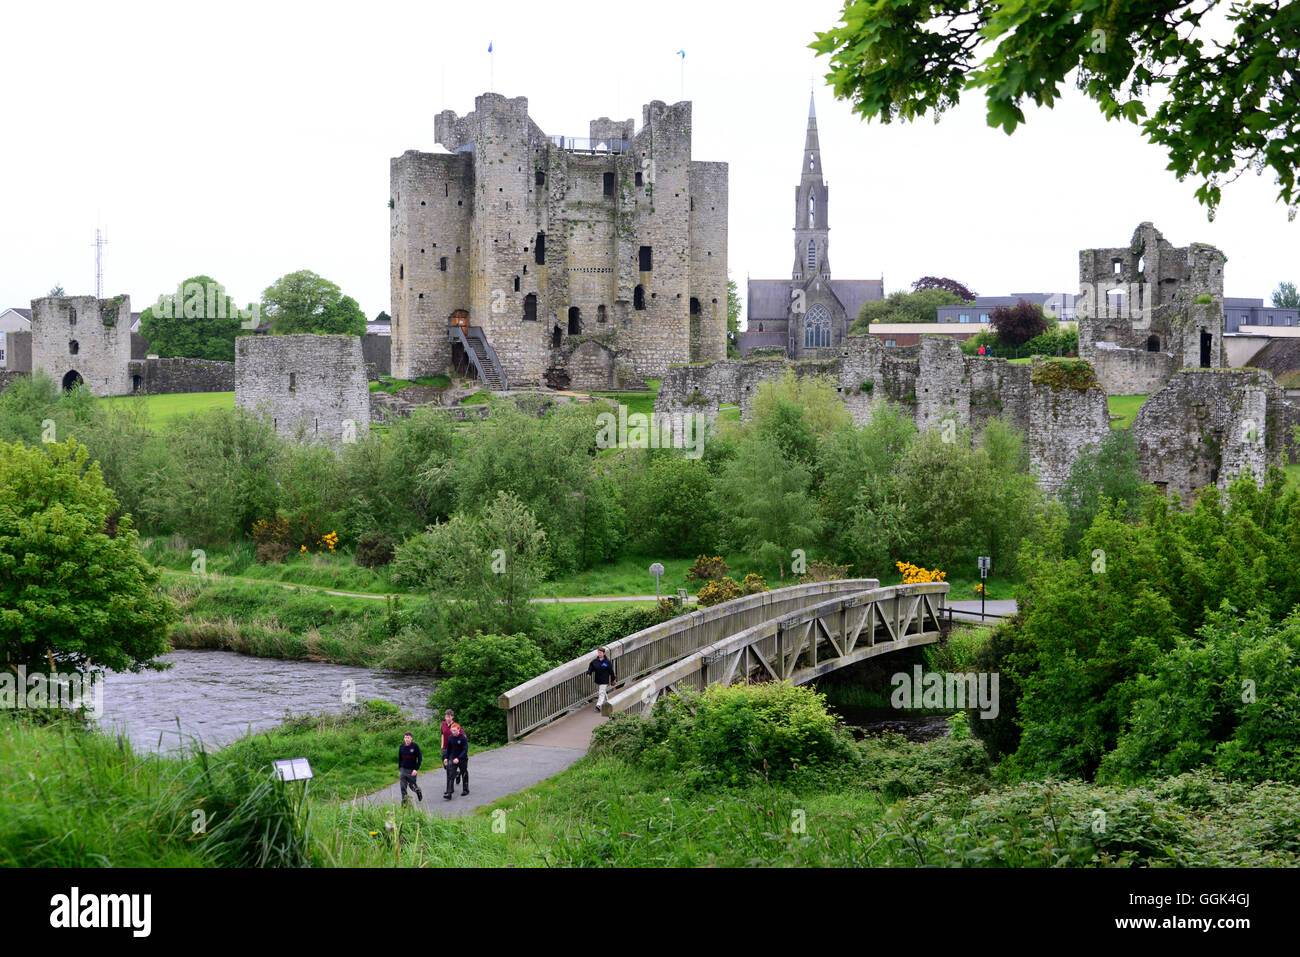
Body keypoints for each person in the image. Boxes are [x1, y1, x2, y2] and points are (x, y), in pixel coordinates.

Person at [442, 722, 469, 799]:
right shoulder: (450, 737)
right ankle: (449, 793)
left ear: (459, 730)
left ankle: (465, 790)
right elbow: (449, 749)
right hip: (453, 758)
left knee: (464, 773)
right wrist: (446, 758)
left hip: (462, 758)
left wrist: (459, 758)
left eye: (454, 730)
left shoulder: (463, 738)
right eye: (452, 730)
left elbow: (465, 750)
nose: (453, 732)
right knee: (450, 774)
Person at [586, 647, 616, 713]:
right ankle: (608, 701)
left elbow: (611, 671)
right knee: (602, 691)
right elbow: (590, 667)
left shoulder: (607, 662)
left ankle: (598, 706)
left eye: (600, 653)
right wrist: (589, 673)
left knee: (601, 692)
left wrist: (613, 680)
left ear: (604, 653)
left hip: (604, 680)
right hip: (598, 679)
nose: (599, 654)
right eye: (598, 652)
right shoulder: (595, 661)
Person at [397, 731, 423, 804]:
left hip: (411, 770)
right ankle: (404, 801)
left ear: (411, 738)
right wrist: (399, 768)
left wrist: (416, 769)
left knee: (412, 786)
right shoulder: (401, 747)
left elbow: (420, 758)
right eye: (405, 737)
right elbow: (400, 758)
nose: (406, 739)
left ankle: (418, 791)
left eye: (408, 737)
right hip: (403, 769)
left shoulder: (415, 746)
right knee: (403, 786)